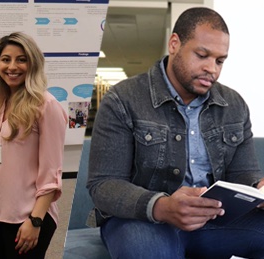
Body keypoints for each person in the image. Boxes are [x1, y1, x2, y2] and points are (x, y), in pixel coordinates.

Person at [87, 7, 264, 259]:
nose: (212, 69)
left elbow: (243, 174)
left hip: (213, 221)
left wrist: (258, 188)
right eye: (202, 55)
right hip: (141, 221)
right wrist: (162, 206)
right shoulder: (122, 99)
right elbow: (103, 185)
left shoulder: (233, 105)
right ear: (174, 44)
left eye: (220, 60)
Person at [0, 32, 66, 259]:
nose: (12, 66)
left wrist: (35, 221)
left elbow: (51, 174)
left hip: (25, 218)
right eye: (6, 59)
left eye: (21, 59)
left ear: (32, 63)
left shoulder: (46, 106)